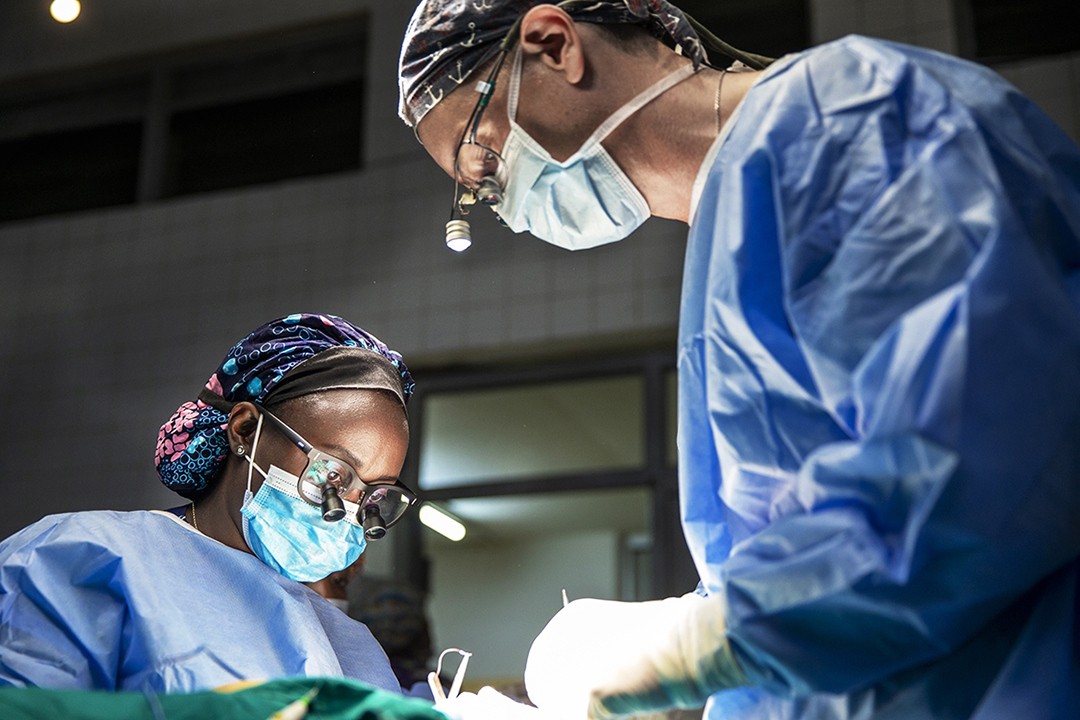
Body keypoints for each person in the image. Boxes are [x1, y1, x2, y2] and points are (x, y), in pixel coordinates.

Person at [397, 1, 1080, 719]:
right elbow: (798, 561)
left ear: (554, 44)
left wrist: (690, 644)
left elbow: (976, 470)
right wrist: (684, 635)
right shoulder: (726, 243)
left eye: (482, 161)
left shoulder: (848, 119)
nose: (499, 204)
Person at [0, 313, 422, 694]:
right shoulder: (83, 558)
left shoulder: (349, 646)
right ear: (245, 429)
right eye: (333, 474)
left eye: (371, 494)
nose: (346, 508)